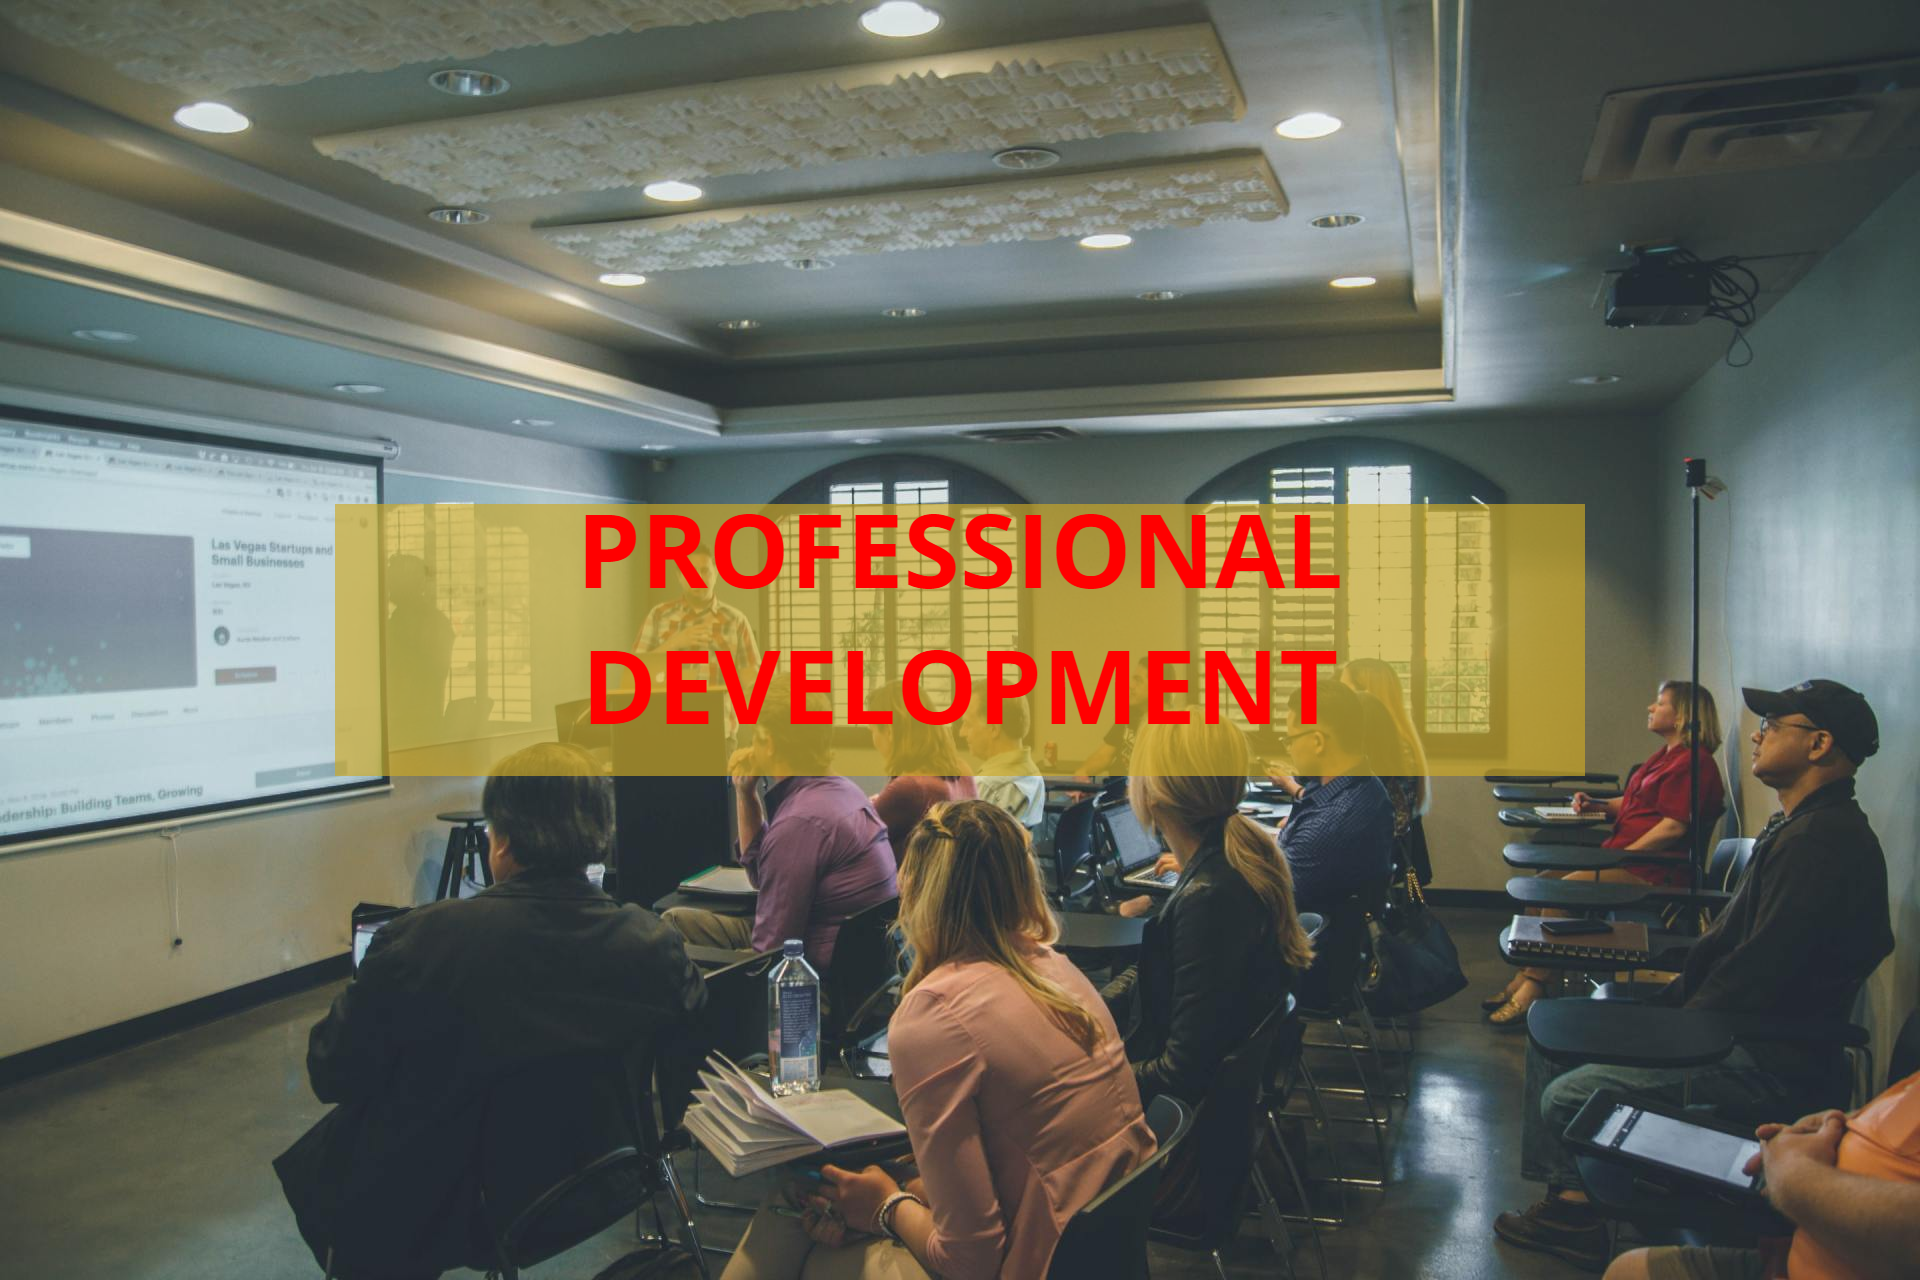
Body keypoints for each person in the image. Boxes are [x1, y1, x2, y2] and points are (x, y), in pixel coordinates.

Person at [1494, 679, 1894, 1273]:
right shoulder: (1798, 827)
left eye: (1773, 725)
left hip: (1760, 1056)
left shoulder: (1822, 844)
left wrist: (1664, 1028)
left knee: (1567, 1094)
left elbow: (1757, 976)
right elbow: (1734, 955)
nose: (1757, 735)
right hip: (1725, 1024)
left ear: (1819, 744)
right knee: (1550, 1030)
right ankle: (1571, 1206)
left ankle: (1576, 1217)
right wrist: (1658, 1015)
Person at [274, 743, 708, 1280]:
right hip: (602, 1180)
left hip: (453, 1210)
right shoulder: (651, 943)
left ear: (500, 841)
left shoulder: (422, 942)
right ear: (600, 836)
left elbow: (332, 1070)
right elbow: (691, 1032)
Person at [720, 800, 1155, 1280]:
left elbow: (971, 1261)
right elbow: (1013, 1167)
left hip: (1036, 1259)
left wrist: (886, 1207)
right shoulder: (1059, 972)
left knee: (809, 1236)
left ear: (914, 893)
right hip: (1088, 1247)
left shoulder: (935, 1016)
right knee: (816, 1196)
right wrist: (898, 1192)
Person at [1102, 720, 1315, 1229]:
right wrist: (1084, 1009)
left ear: (1155, 794)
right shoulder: (1228, 861)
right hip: (1208, 1132)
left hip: (1179, 1160)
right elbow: (1162, 976)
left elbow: (1181, 1073)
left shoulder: (1211, 898)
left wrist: (1088, 1081)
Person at [1485, 680, 1729, 1025]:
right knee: (1542, 885)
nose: (1651, 708)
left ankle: (1534, 987)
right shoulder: (1666, 757)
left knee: (1561, 891)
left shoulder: (1695, 765)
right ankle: (1525, 976)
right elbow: (1633, 803)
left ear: (1682, 716)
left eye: (1660, 703)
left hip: (1650, 872)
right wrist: (1596, 803)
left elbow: (1674, 827)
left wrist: (1623, 855)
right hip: (1626, 860)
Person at [1604, 1070, 1920, 1280]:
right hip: (1805, 1251)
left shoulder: (1793, 1179)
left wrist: (1793, 1174)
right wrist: (1840, 1125)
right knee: (1630, 1271)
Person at [663, 699, 897, 968]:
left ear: (770, 742)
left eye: (755, 737)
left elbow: (769, 955)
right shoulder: (845, 791)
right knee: (675, 921)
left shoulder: (800, 823)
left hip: (805, 976)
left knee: (667, 943)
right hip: (856, 967)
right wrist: (745, 794)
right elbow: (761, 877)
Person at [1267, 677, 1397, 917]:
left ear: (1317, 741)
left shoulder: (1331, 822)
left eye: (1291, 740)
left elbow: (1271, 895)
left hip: (1301, 931)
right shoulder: (1362, 783)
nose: (1289, 748)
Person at [633, 544, 762, 745]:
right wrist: (675, 643)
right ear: (679, 576)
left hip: (719, 732)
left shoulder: (736, 620)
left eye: (704, 571)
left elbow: (753, 681)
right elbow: (635, 672)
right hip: (664, 731)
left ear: (715, 573)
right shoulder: (659, 615)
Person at [1342, 657, 1434, 882]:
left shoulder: (1380, 743)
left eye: (1345, 690)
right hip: (1392, 845)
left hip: (1379, 852)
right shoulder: (1402, 738)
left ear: (1365, 694)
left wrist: (1296, 789)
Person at [864, 683, 976, 864]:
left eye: (873, 731)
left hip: (914, 881)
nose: (874, 740)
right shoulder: (963, 770)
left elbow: (854, 840)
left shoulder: (909, 787)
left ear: (890, 732)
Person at [384, 552, 453, 750]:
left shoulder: (402, 623)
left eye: (393, 579)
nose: (388, 586)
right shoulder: (437, 619)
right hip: (426, 722)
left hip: (406, 726)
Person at [959, 694, 1045, 828]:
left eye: (968, 724)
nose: (962, 732)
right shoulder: (1033, 774)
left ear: (994, 729)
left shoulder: (987, 786)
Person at [1071, 652, 1155, 779]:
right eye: (1133, 679)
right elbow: (1105, 755)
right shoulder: (1130, 712)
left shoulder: (1167, 729)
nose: (1131, 685)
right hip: (1115, 786)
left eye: (1138, 680)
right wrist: (1083, 772)